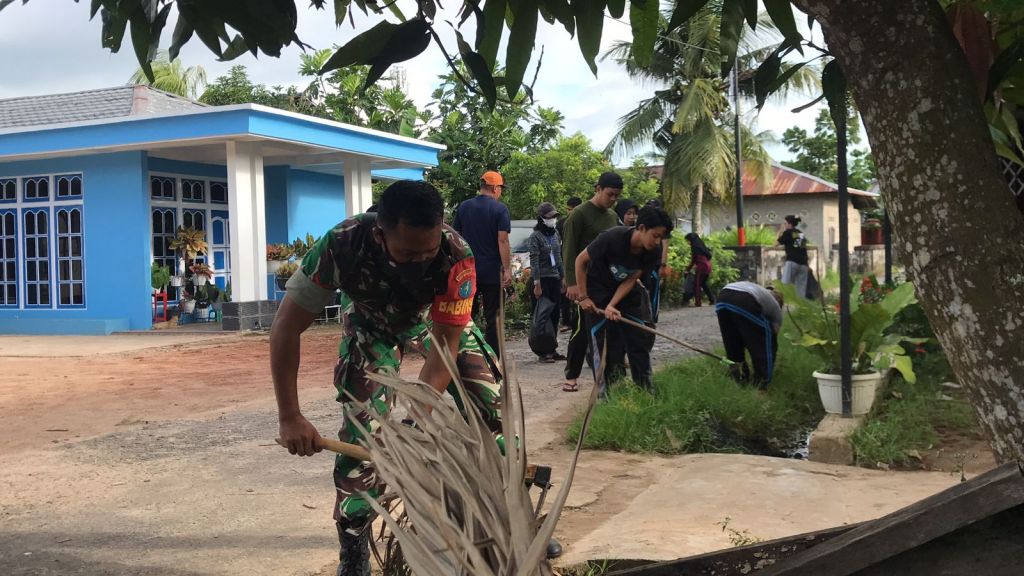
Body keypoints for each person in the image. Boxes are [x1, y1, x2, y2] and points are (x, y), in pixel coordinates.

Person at [270, 181, 503, 576]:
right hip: (371, 324)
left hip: (436, 321)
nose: (421, 261)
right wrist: (290, 415)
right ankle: (355, 546)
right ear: (381, 233)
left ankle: (508, 522)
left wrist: (417, 418)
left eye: (428, 251)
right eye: (408, 252)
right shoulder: (342, 244)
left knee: (491, 406)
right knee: (363, 431)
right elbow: (285, 329)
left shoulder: (455, 254)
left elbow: (446, 344)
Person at [575, 206, 674, 396]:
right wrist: (584, 297)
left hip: (626, 296)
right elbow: (580, 261)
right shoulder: (611, 238)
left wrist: (614, 304)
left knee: (638, 341)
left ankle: (645, 391)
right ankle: (606, 396)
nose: (658, 241)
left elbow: (631, 278)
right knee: (605, 346)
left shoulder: (652, 251)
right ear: (642, 228)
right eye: (655, 235)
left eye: (661, 237)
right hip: (596, 294)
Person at [562, 172, 623, 392]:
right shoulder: (578, 215)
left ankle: (611, 373)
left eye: (616, 196)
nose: (612, 199)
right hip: (583, 282)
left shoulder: (613, 216)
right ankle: (571, 375)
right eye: (609, 194)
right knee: (581, 330)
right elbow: (568, 249)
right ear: (598, 189)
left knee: (608, 328)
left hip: (606, 282)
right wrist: (572, 283)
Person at [453, 170, 513, 356]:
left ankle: (465, 351)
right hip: (491, 272)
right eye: (500, 188)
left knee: (466, 313)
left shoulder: (463, 207)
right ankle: (493, 355)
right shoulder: (500, 209)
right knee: (493, 315)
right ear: (495, 188)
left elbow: (456, 238)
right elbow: (502, 241)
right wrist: (508, 269)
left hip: (467, 271)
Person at [714, 282, 785, 390]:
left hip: (723, 297)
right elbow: (772, 336)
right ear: (779, 302)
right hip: (744, 299)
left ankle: (738, 378)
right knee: (766, 342)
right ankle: (761, 384)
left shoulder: (758, 290)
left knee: (732, 342)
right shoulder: (776, 308)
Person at [527, 201, 565, 362]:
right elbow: (534, 261)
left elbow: (559, 257)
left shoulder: (555, 234)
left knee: (555, 315)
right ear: (541, 218)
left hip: (554, 279)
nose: (552, 219)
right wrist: (537, 284)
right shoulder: (535, 237)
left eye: (554, 216)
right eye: (549, 217)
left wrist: (563, 277)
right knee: (543, 317)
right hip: (541, 280)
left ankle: (552, 347)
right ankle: (543, 351)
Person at [557, 196, 583, 332]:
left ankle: (579, 320)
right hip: (565, 261)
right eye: (568, 210)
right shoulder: (561, 223)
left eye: (572, 210)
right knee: (565, 294)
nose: (569, 213)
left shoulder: (584, 222)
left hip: (581, 262)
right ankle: (566, 321)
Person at [778, 214, 810, 298]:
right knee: (801, 289)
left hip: (792, 262)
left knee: (785, 286)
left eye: (785, 223)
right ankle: (799, 307)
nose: (784, 225)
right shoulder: (800, 233)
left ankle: (784, 305)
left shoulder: (787, 232)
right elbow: (799, 247)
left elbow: (775, 244)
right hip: (804, 263)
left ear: (789, 224)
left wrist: (780, 231)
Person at [683, 232, 715, 306]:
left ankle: (698, 302)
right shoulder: (701, 245)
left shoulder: (695, 246)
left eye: (688, 240)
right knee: (703, 284)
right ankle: (712, 299)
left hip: (702, 267)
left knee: (697, 285)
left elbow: (694, 260)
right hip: (708, 266)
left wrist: (687, 269)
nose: (688, 242)